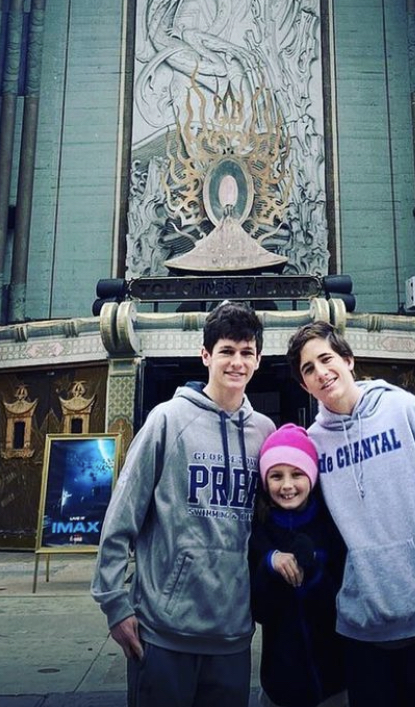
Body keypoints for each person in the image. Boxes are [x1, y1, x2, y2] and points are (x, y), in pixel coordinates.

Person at [285, 322, 415, 707]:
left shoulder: (403, 409)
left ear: (348, 360)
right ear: (304, 386)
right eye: (308, 369)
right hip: (361, 629)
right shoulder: (313, 444)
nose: (321, 372)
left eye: (326, 359)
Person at [91, 300, 275, 707]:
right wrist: (115, 604)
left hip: (232, 634)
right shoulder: (167, 419)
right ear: (205, 355)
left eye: (247, 353)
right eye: (226, 351)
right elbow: (122, 515)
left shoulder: (265, 432)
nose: (237, 362)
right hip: (162, 632)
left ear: (259, 360)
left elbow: (271, 524)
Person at [249, 423, 347, 707]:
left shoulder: (331, 524)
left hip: (334, 680)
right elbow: (260, 610)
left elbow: (340, 595)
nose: (287, 485)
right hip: (280, 681)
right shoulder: (260, 531)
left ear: (312, 477)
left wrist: (314, 567)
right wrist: (270, 564)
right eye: (276, 476)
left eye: (297, 474)